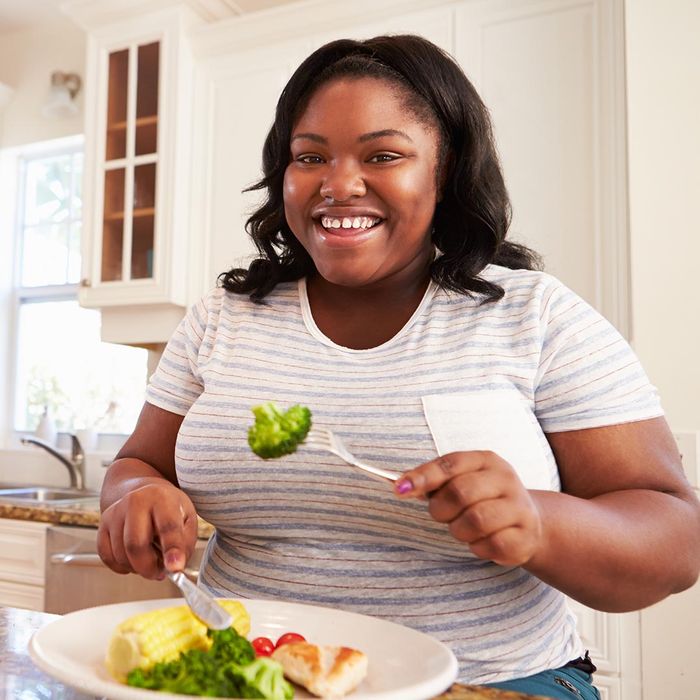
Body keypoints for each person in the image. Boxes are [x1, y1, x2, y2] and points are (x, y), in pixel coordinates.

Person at [98, 35, 700, 698]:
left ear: (444, 174)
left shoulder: (536, 316)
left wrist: (538, 520)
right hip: (246, 675)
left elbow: (675, 539)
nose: (338, 184)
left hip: (491, 684)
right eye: (310, 157)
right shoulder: (223, 315)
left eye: (383, 155)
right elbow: (138, 466)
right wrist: (135, 498)